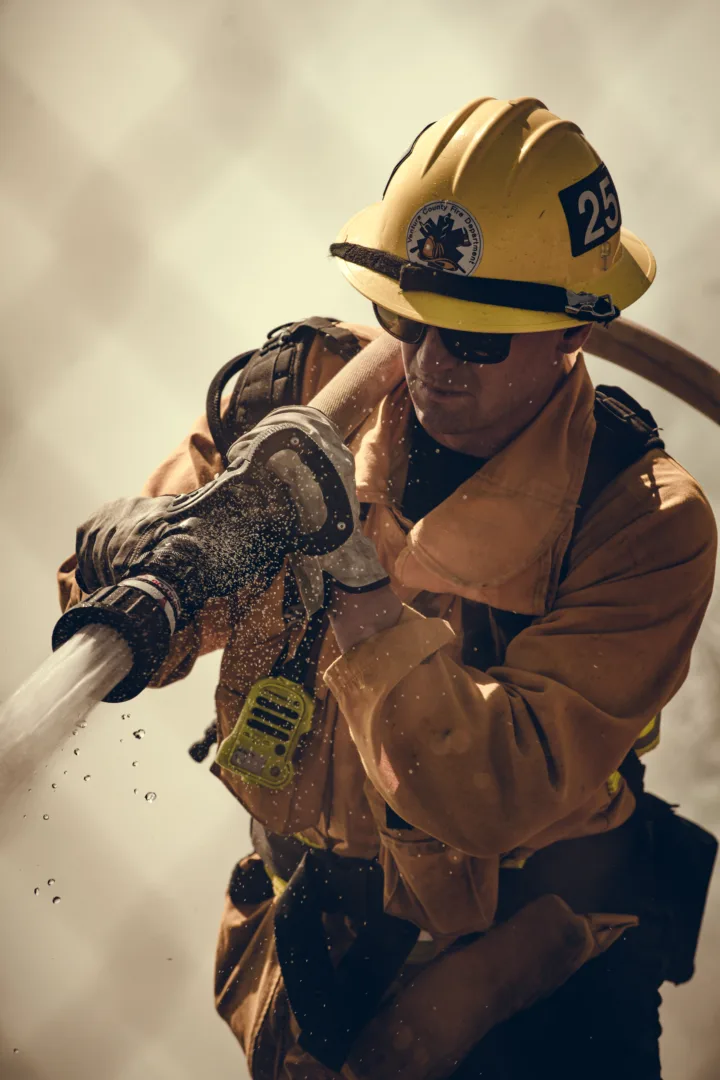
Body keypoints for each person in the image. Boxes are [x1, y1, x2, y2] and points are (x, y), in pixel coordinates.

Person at [58, 97, 717, 1079]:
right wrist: (143, 548)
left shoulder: (642, 522)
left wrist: (353, 580)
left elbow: (488, 793)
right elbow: (124, 586)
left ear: (575, 334)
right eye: (404, 319)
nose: (427, 365)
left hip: (544, 1000)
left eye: (477, 339)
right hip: (316, 954)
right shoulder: (298, 394)